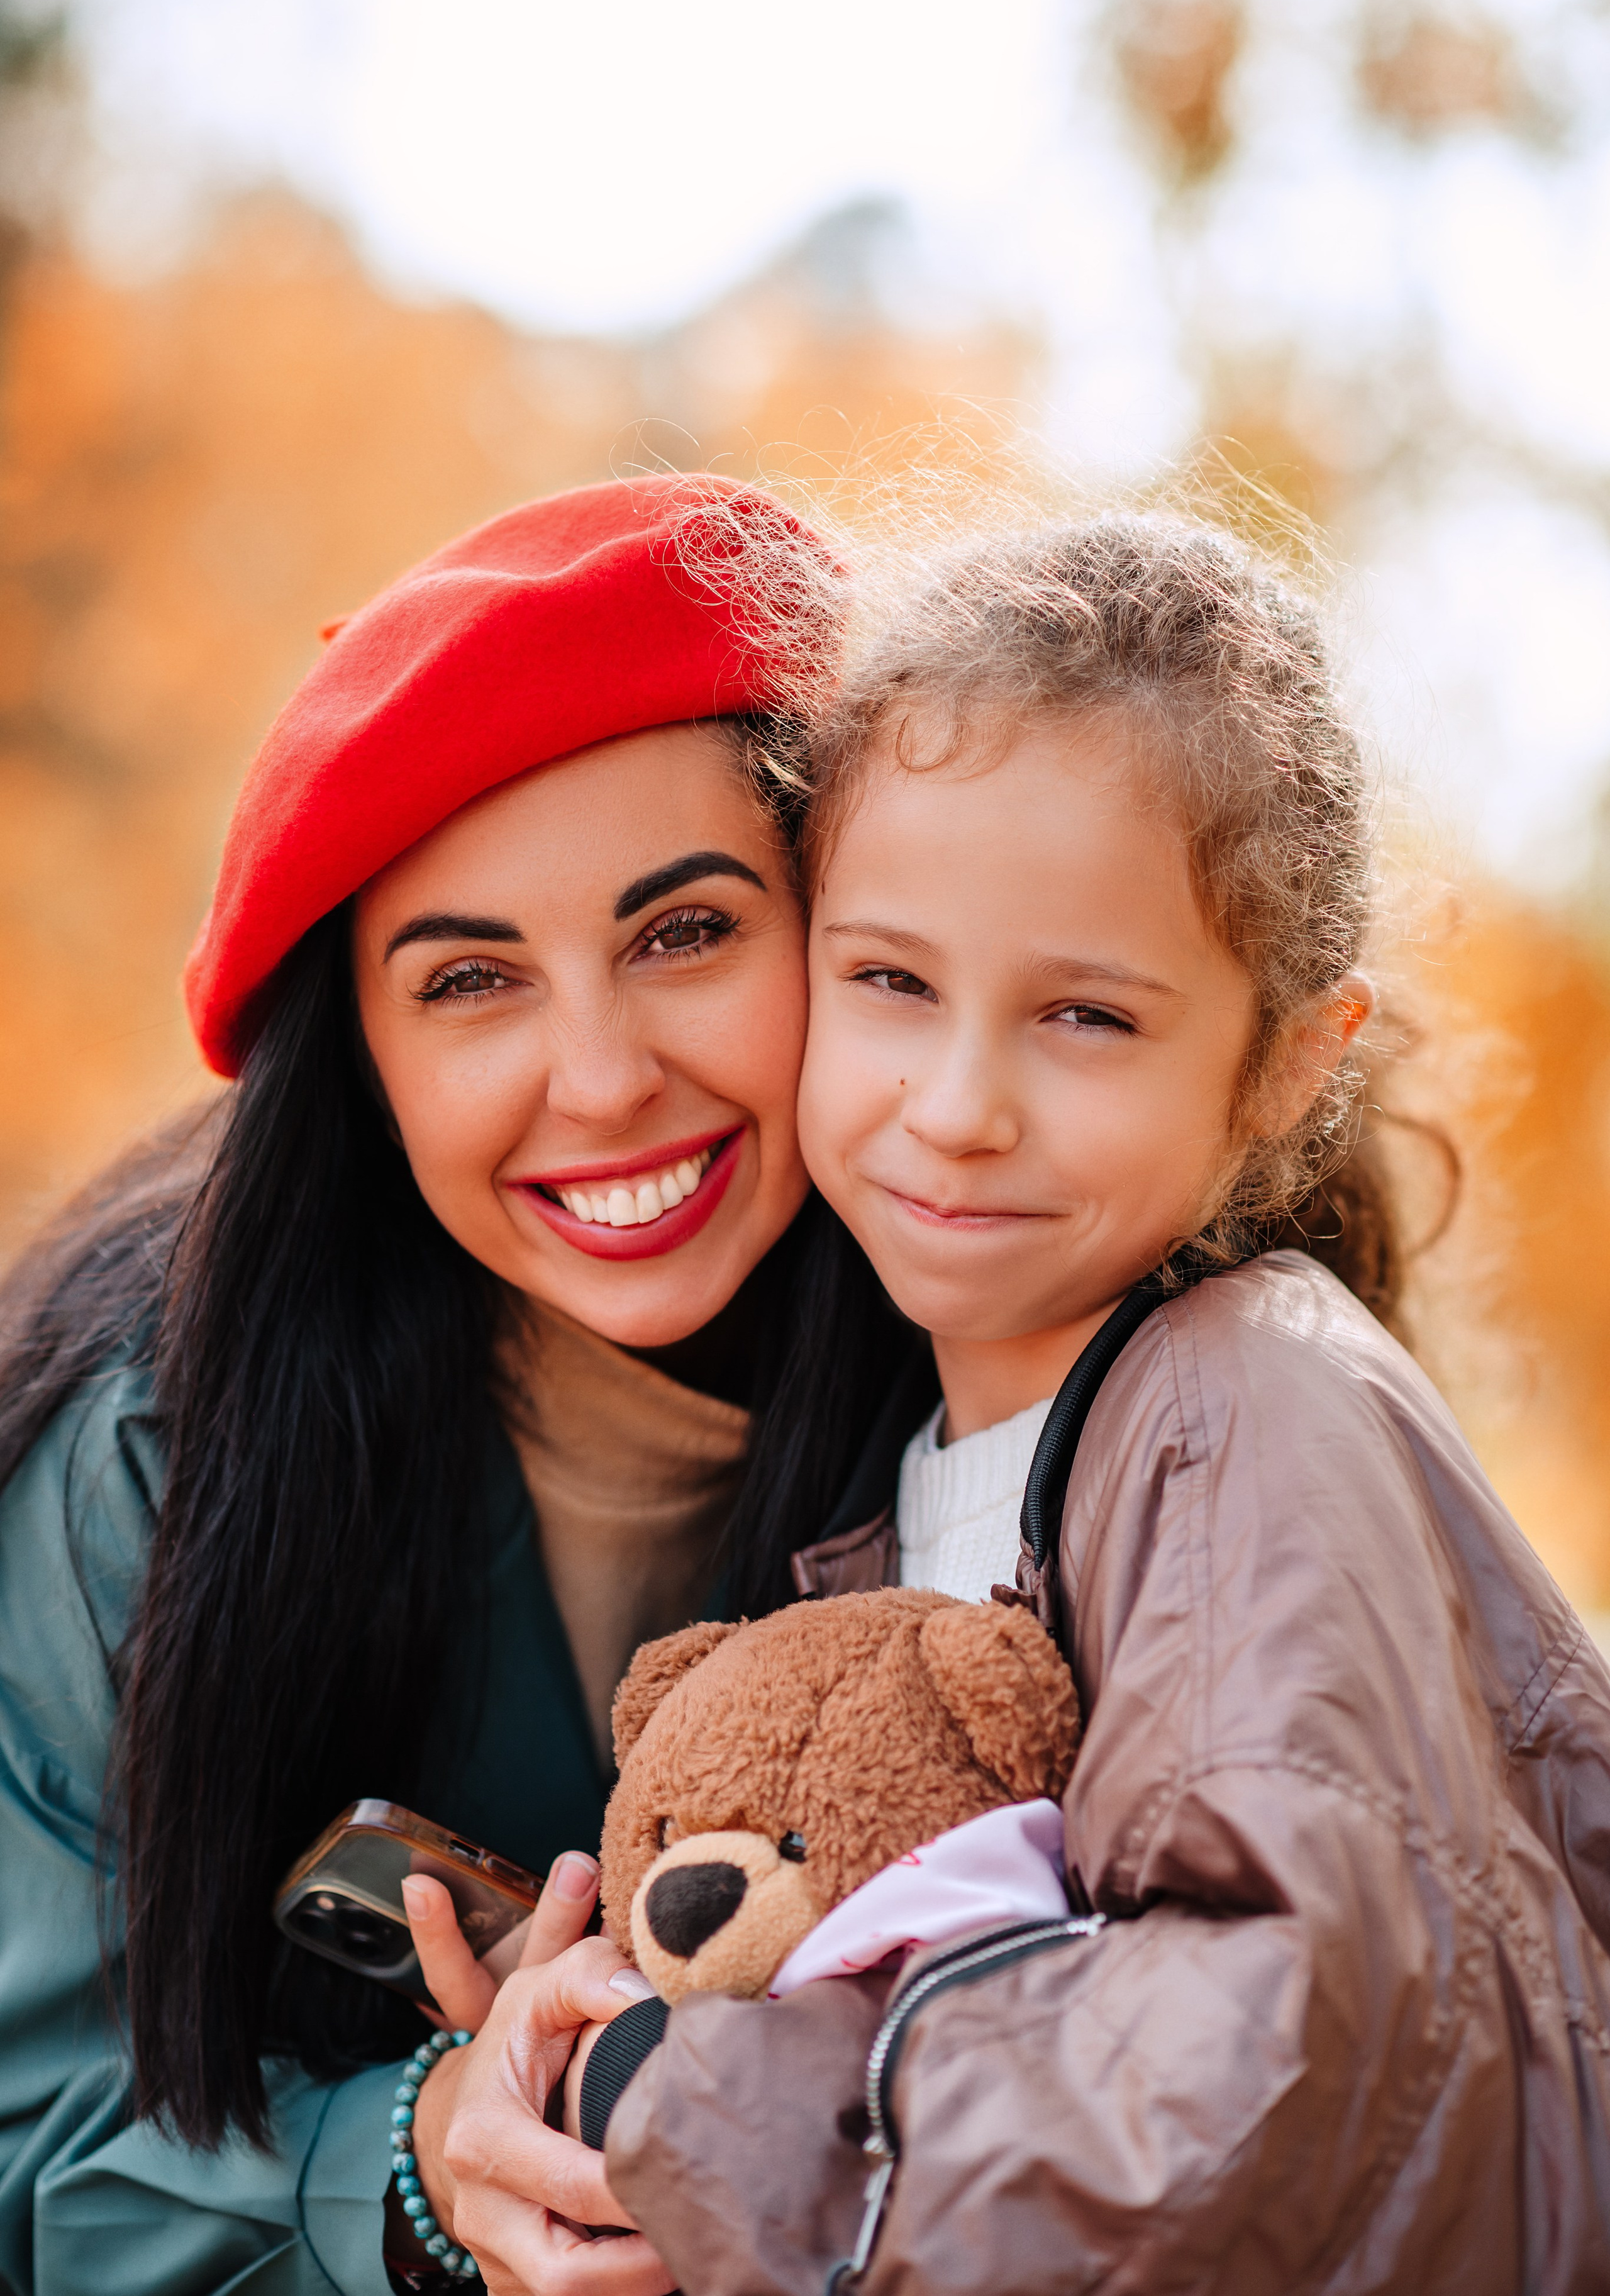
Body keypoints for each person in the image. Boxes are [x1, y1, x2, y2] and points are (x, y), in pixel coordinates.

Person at [572, 515, 1610, 2292]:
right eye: (892, 980)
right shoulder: (920, 1462)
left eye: (1086, 1018)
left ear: (1286, 1058)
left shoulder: (1245, 1403)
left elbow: (1267, 2076)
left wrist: (704, 2103)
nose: (959, 1104)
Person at [0, 475, 928, 2296]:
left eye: (684, 933)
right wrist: (414, 2163)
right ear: (361, 1058)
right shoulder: (136, 1455)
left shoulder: (1048, 1370)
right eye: (472, 980)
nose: (596, 1079)